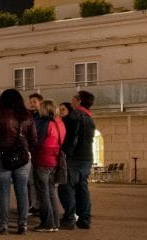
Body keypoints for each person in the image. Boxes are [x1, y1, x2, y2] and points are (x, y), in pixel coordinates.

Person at [0, 88, 38, 235]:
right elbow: (34, 138)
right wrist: (26, 150)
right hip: (23, 157)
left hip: (3, 155)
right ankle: (22, 225)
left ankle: (3, 225)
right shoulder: (27, 115)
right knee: (22, 191)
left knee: (3, 192)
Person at [59, 90, 96, 231]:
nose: (72, 101)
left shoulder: (74, 116)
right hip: (87, 157)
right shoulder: (89, 117)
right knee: (82, 187)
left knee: (66, 187)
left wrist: (66, 153)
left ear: (79, 101)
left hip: (74, 158)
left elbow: (72, 138)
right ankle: (84, 218)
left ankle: (69, 218)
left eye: (74, 98)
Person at [32, 100, 66, 232]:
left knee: (43, 193)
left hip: (42, 159)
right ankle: (55, 222)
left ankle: (47, 223)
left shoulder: (43, 123)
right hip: (54, 160)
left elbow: (36, 140)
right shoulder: (58, 123)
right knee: (52, 192)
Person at [27, 93, 46, 215]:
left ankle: (42, 205)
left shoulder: (42, 118)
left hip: (40, 152)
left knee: (40, 181)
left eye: (34, 102)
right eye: (31, 102)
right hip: (30, 152)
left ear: (40, 103)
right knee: (31, 181)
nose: (32, 104)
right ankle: (34, 204)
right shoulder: (29, 117)